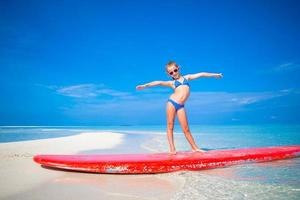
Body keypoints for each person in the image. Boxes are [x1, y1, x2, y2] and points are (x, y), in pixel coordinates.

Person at [136, 61, 223, 154]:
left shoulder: (187, 77)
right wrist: (145, 86)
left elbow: (201, 74)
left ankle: (194, 147)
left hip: (181, 106)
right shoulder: (172, 83)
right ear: (168, 74)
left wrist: (215, 75)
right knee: (170, 126)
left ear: (178, 68)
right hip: (172, 103)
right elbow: (158, 82)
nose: (174, 73)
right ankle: (172, 149)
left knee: (186, 129)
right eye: (171, 73)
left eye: (175, 70)